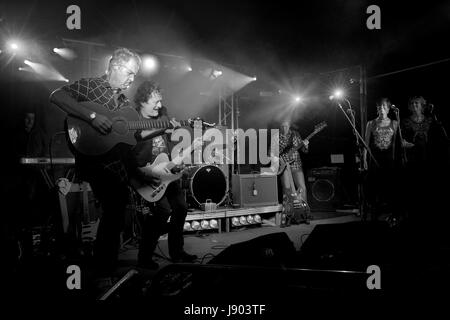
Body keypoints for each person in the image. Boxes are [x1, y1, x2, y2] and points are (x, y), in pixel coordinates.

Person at [50, 48, 141, 276]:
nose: (132, 79)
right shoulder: (90, 85)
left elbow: (128, 137)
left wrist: (157, 128)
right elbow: (57, 95)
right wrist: (92, 116)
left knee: (117, 213)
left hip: (117, 168)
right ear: (115, 66)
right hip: (93, 163)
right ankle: (103, 271)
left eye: (135, 75)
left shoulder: (125, 103)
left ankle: (105, 268)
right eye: (130, 73)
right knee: (115, 207)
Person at [130, 80, 197, 269]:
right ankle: (144, 258)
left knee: (181, 208)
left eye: (161, 102)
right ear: (143, 100)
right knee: (162, 212)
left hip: (166, 170)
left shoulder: (162, 115)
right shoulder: (133, 119)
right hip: (146, 175)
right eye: (156, 102)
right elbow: (128, 152)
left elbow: (167, 143)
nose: (160, 106)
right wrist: (139, 173)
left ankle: (177, 253)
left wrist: (176, 164)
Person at [363, 98, 403, 222]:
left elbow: (400, 143)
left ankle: (392, 215)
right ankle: (375, 215)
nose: (381, 109)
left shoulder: (395, 123)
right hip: (374, 160)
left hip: (389, 161)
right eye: (379, 107)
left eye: (383, 106)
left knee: (390, 188)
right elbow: (366, 143)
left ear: (388, 108)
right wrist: (364, 159)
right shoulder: (370, 123)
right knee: (375, 188)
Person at [279, 120, 309, 203]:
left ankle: (304, 210)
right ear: (280, 126)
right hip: (284, 166)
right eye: (283, 126)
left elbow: (304, 150)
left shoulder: (295, 134)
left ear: (289, 126)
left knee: (302, 188)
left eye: (286, 126)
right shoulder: (276, 137)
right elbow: (270, 153)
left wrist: (305, 146)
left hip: (296, 165)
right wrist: (279, 159)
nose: (284, 128)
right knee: (287, 188)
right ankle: (288, 211)